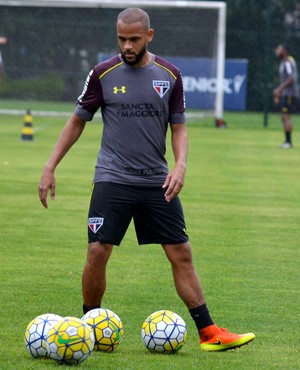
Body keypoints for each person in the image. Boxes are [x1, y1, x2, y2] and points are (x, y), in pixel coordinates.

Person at [38, 7, 255, 352]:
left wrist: (180, 164)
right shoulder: (102, 73)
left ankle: (209, 332)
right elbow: (77, 120)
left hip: (156, 180)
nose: (127, 45)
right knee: (97, 250)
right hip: (112, 177)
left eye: (134, 39)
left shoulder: (169, 75)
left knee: (181, 251)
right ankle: (87, 328)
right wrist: (50, 166)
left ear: (149, 36)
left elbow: (179, 127)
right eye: (121, 38)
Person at [273, 44, 299, 148]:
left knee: (286, 116)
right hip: (286, 93)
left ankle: (289, 142)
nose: (277, 51)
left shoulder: (287, 62)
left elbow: (291, 79)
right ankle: (287, 141)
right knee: (284, 117)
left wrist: (279, 89)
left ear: (284, 51)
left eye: (279, 49)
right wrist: (279, 94)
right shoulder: (284, 62)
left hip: (290, 94)